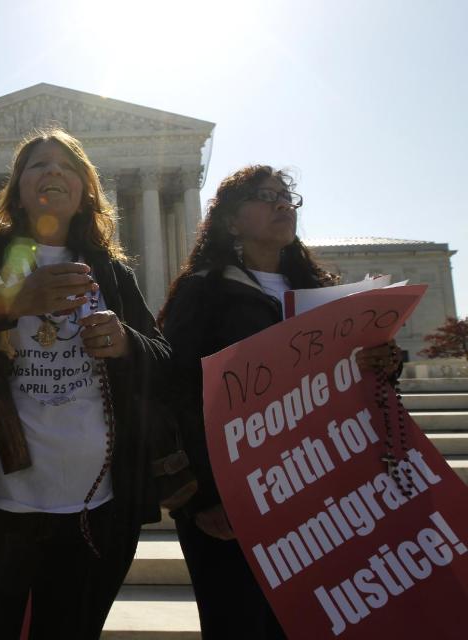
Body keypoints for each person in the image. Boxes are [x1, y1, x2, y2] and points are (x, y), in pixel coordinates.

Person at [0, 128, 172, 638]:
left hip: (95, 512)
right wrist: (9, 304)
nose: (52, 172)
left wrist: (127, 342)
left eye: (66, 164)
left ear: (86, 188)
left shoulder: (110, 272)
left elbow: (164, 365)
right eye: (37, 165)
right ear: (16, 189)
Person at [158, 165, 402, 639]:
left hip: (312, 491)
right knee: (241, 622)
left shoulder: (320, 294)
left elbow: (351, 387)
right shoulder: (204, 291)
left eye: (287, 197)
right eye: (265, 196)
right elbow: (177, 393)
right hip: (233, 500)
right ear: (230, 221)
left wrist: (383, 361)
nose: (282, 205)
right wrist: (204, 496)